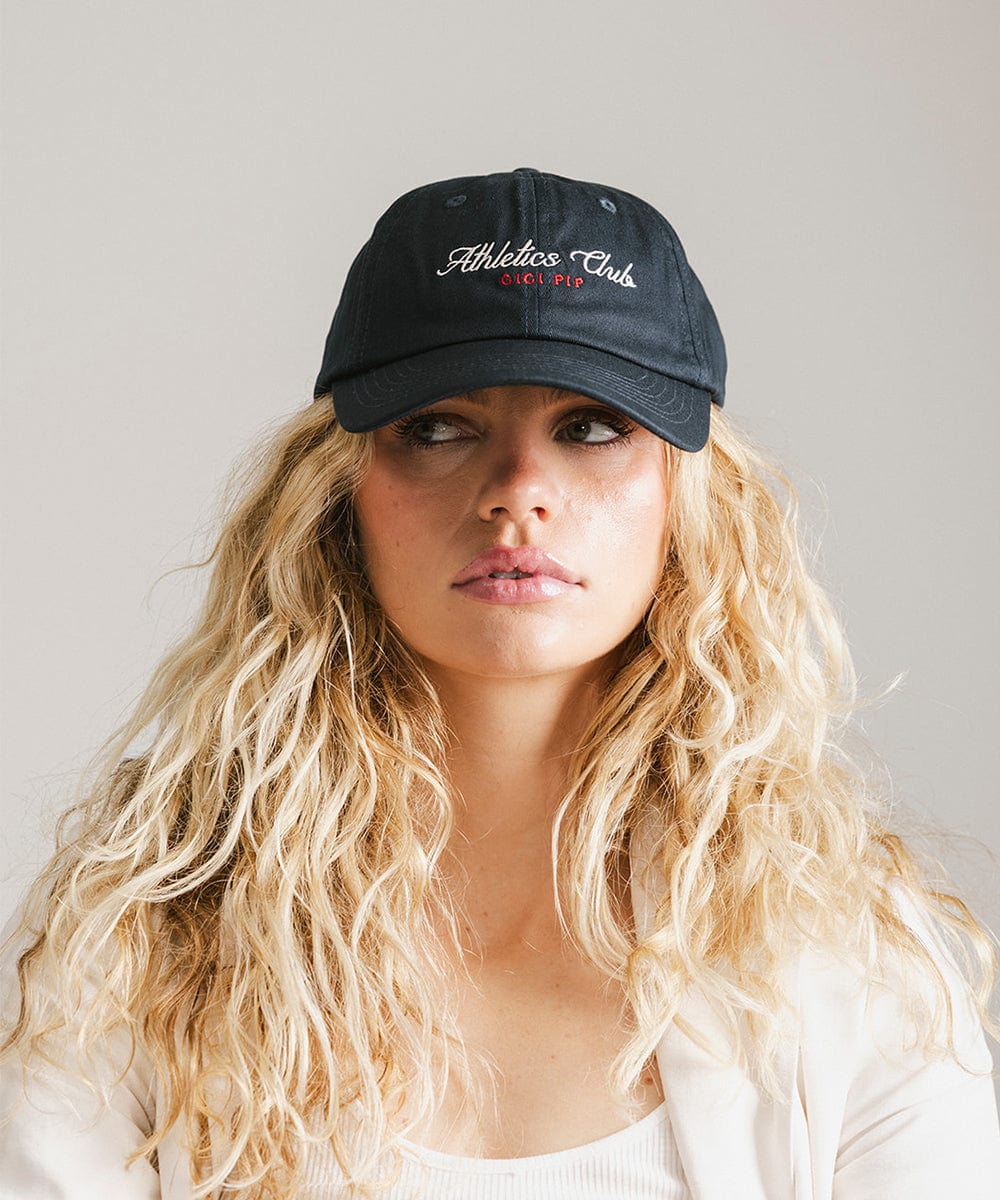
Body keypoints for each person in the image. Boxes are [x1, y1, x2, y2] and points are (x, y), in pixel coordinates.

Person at [1, 167, 998, 1200]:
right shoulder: (132, 951)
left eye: (592, 426)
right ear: (338, 497)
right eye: (437, 427)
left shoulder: (853, 966)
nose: (518, 490)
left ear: (686, 501)